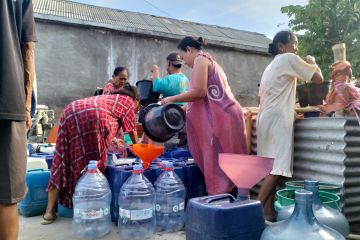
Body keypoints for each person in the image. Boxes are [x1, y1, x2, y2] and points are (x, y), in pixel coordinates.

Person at [160, 36, 248, 195]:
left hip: (223, 119)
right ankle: (233, 201)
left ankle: (221, 201)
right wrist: (178, 109)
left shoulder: (201, 59)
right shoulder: (211, 62)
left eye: (183, 56)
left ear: (189, 49)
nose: (184, 62)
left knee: (217, 161)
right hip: (228, 116)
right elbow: (201, 99)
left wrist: (172, 99)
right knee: (228, 162)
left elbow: (199, 92)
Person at [41, 85, 139, 224]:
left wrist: (114, 139)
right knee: (94, 166)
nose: (136, 108)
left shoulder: (106, 98)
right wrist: (138, 147)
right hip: (93, 117)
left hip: (70, 110)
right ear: (135, 100)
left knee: (62, 159)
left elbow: (110, 126)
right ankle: (92, 212)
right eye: (138, 105)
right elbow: (132, 129)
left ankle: (49, 212)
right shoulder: (128, 100)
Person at [256, 30, 324, 221]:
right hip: (278, 118)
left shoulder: (270, 66)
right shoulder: (288, 58)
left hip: (265, 117)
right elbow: (318, 79)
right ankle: (251, 212)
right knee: (278, 167)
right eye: (295, 43)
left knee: (270, 167)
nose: (297, 48)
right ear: (281, 46)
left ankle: (267, 212)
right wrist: (312, 62)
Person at [0, 1, 36, 239]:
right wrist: (25, 106)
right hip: (8, 96)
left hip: (9, 103)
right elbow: (28, 48)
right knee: (6, 197)